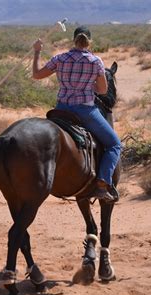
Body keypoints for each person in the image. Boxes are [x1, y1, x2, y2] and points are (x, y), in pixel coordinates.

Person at [32, 25, 121, 201]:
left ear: (73, 40)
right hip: (85, 111)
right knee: (114, 144)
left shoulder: (60, 58)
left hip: (60, 109)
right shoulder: (95, 62)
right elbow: (103, 90)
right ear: (89, 41)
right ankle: (103, 184)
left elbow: (36, 75)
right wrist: (89, 85)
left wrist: (36, 52)